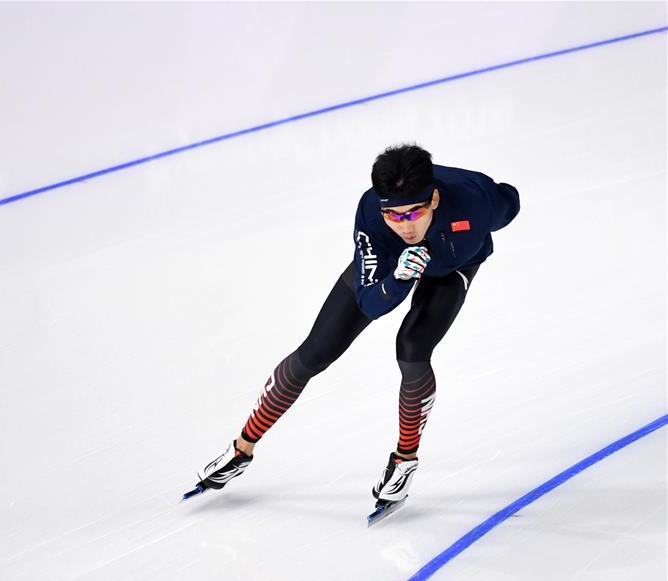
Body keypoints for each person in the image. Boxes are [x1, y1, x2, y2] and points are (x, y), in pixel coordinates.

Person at [193, 143, 520, 505]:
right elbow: (370, 303)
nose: (406, 225)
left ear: (435, 201)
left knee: (412, 347)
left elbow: (511, 201)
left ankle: (404, 461)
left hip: (451, 264)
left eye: (414, 213)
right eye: (394, 216)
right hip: (390, 263)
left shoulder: (475, 204)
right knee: (315, 352)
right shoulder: (370, 211)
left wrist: (424, 263)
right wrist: (397, 278)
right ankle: (241, 449)